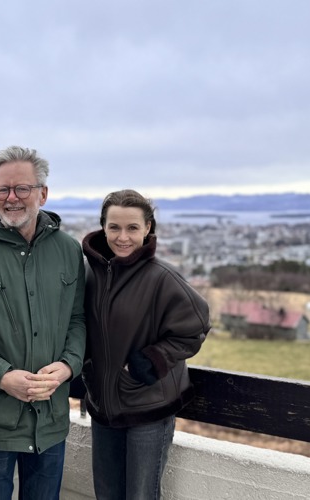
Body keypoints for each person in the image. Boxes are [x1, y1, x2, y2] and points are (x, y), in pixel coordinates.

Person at [0, 145, 86, 499]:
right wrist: (2, 376)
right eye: (2, 189)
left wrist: (68, 366)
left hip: (51, 421)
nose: (11, 198)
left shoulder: (69, 250)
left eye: (21, 189)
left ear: (43, 193)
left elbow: (76, 318)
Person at [80, 189, 210, 500]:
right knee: (107, 495)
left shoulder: (162, 277)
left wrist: (149, 361)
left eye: (132, 228)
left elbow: (196, 326)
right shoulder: (90, 274)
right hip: (103, 406)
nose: (122, 237)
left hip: (148, 407)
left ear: (148, 228)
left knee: (141, 496)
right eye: (114, 227)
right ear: (103, 227)